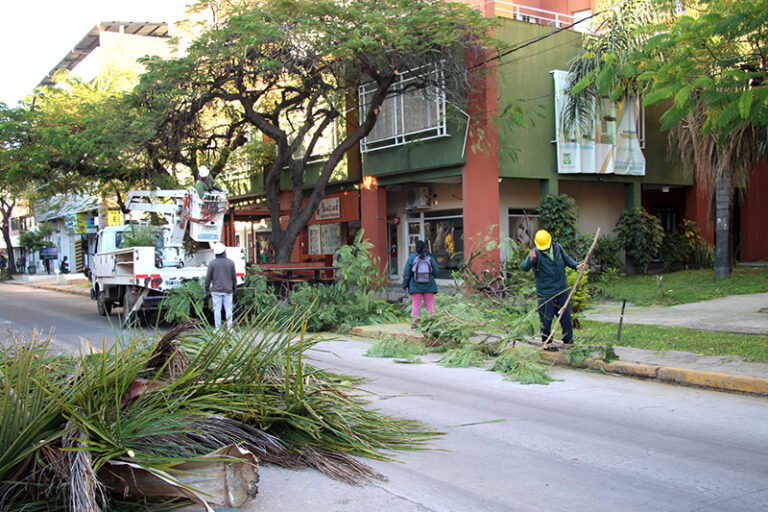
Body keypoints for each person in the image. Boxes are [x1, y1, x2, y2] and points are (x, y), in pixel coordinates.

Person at [521, 229, 585, 348]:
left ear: (550, 242)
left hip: (562, 290)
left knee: (566, 318)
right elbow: (524, 268)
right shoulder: (535, 253)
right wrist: (530, 259)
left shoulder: (558, 248)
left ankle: (568, 341)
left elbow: (567, 260)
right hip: (545, 293)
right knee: (546, 320)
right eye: (543, 248)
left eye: (546, 247)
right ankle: (547, 343)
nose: (545, 249)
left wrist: (577, 266)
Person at [402, 240, 438, 329]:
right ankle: (431, 324)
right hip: (429, 286)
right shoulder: (429, 258)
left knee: (416, 306)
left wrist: (404, 285)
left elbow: (406, 273)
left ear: (415, 247)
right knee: (430, 305)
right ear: (424, 247)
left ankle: (415, 324)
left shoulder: (412, 258)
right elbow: (436, 273)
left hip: (415, 286)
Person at [204, 242, 237, 329]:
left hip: (216, 291)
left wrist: (206, 288)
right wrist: (234, 287)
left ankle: (218, 329)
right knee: (228, 309)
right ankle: (230, 328)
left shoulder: (212, 263)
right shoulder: (231, 263)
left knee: (217, 310)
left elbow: (208, 277)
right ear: (224, 252)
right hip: (228, 290)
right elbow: (234, 277)